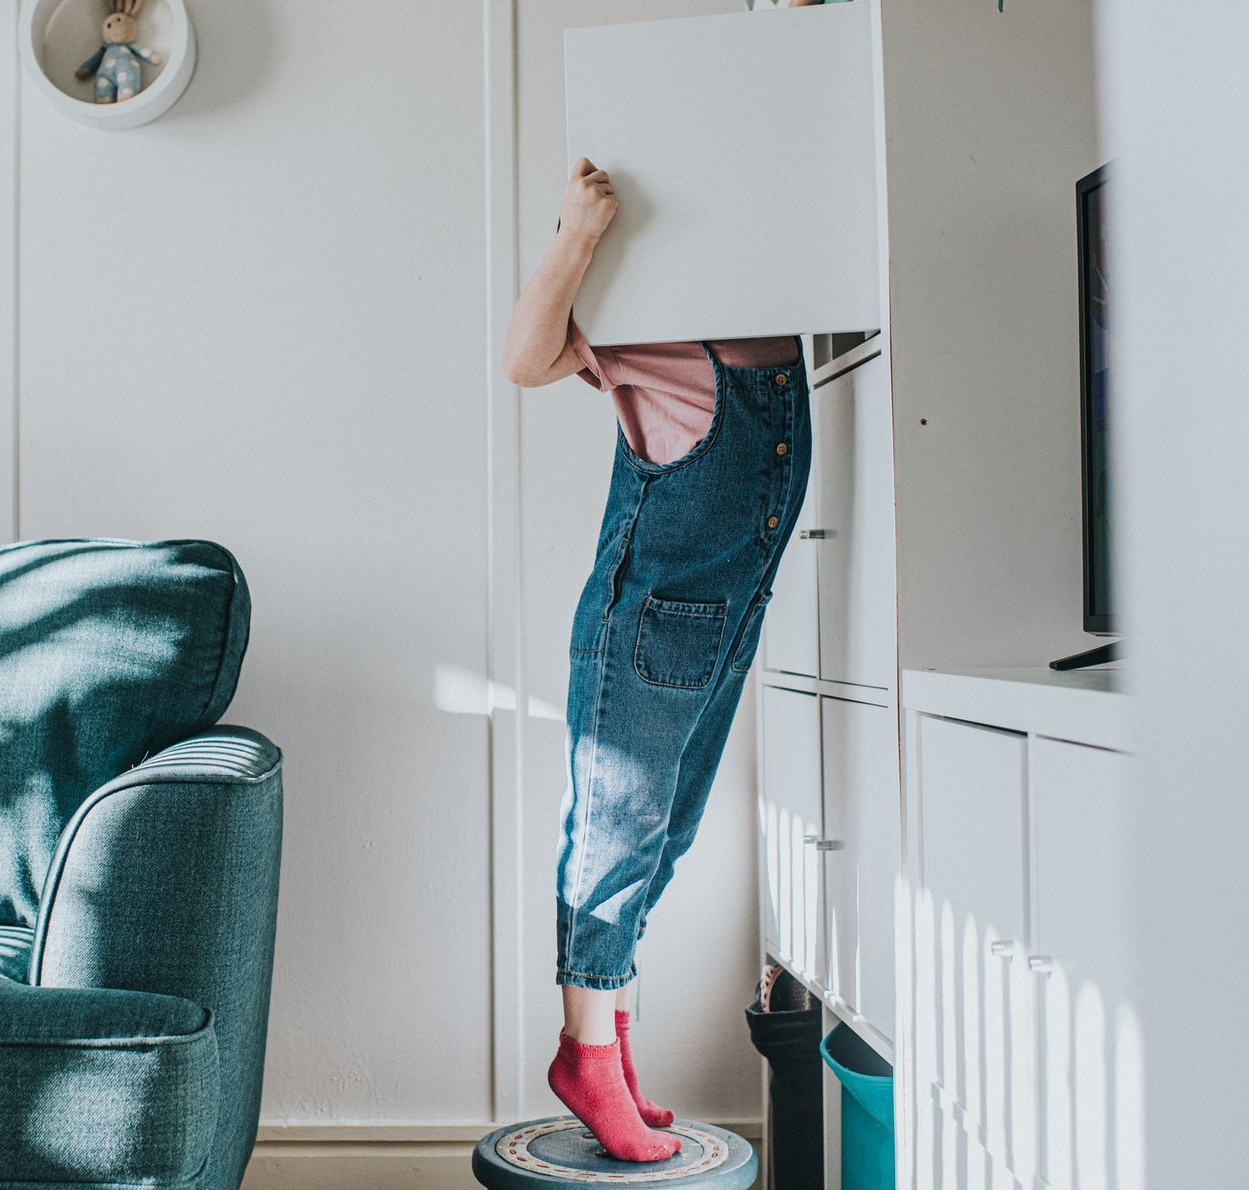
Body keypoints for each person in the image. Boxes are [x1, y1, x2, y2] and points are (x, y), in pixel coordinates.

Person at [501, 151, 813, 1161]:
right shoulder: (649, 316)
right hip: (644, 627)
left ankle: (616, 1046)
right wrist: (577, 234)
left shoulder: (768, 302)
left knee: (662, 838)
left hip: (720, 626)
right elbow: (524, 356)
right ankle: (587, 1057)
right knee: (613, 833)